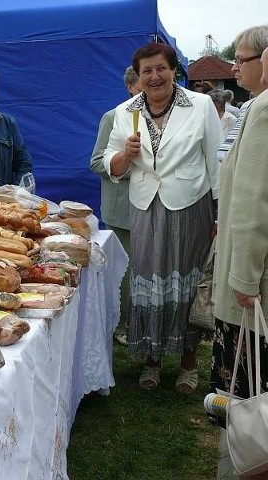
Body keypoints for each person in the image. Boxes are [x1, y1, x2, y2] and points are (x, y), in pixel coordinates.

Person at [103, 42, 220, 393]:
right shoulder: (126, 111)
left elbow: (214, 161)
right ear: (137, 77)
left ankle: (188, 363)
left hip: (190, 206)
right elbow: (111, 164)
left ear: (174, 70)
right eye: (146, 71)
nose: (154, 77)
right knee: (149, 283)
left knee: (186, 281)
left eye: (160, 69)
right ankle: (151, 360)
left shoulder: (200, 106)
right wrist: (124, 154)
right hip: (144, 207)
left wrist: (218, 212)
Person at [210, 42, 268, 480]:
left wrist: (244, 277)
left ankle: (246, 464)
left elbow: (253, 203)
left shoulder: (263, 111)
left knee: (251, 394)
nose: (237, 66)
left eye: (245, 59)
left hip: (253, 283)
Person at [89, 65, 141, 345]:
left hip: (157, 209)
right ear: (131, 86)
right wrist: (128, 162)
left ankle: (144, 324)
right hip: (123, 212)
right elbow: (96, 161)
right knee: (124, 273)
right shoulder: (113, 117)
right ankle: (120, 325)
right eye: (142, 83)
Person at [217, 26, 268, 162]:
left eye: (240, 61)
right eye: (235, 61)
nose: (234, 68)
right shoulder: (248, 106)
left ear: (264, 59)